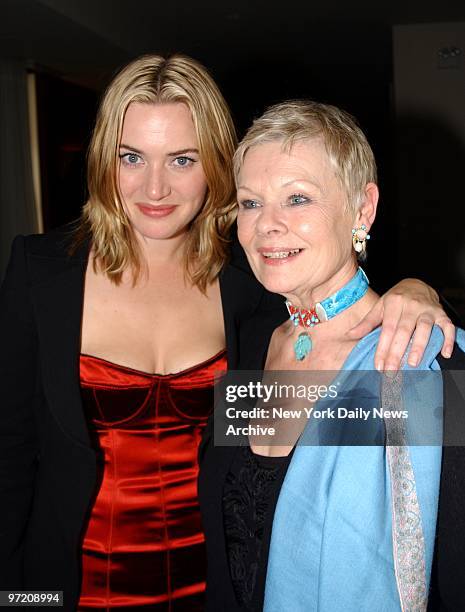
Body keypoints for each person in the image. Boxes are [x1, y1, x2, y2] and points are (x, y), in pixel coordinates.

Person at [0, 54, 455, 611]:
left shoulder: (251, 288)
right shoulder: (41, 274)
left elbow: (333, 295)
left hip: (212, 590)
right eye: (132, 157)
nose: (156, 187)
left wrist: (417, 291)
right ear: (104, 160)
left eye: (183, 159)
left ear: (214, 164)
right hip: (70, 589)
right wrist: (18, 597)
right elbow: (11, 457)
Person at [198, 100, 465, 611]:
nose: (266, 226)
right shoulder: (250, 343)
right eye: (251, 203)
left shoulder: (420, 364)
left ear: (362, 209)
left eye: (297, 198)